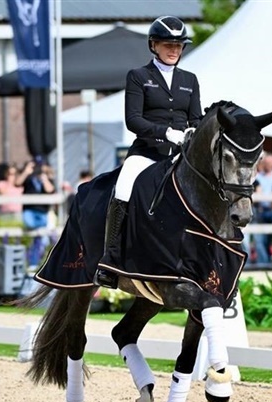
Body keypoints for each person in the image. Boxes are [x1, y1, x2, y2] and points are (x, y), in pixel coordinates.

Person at [95, 15, 202, 288]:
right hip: (147, 153)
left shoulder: (190, 80)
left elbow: (197, 118)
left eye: (179, 45)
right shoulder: (139, 77)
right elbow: (133, 120)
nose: (174, 50)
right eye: (168, 44)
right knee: (124, 187)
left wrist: (194, 133)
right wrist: (165, 132)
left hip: (180, 156)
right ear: (153, 45)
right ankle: (111, 259)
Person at [16, 158, 55, 268]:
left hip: (42, 211)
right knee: (31, 226)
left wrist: (45, 179)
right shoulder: (28, 178)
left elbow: (50, 190)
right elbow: (17, 183)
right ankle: (44, 239)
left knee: (38, 240)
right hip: (29, 210)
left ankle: (34, 263)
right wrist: (26, 171)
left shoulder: (47, 178)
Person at [253, 152, 272, 265]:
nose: (268, 164)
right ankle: (263, 265)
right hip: (260, 210)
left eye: (270, 162)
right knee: (260, 240)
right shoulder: (257, 177)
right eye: (266, 162)